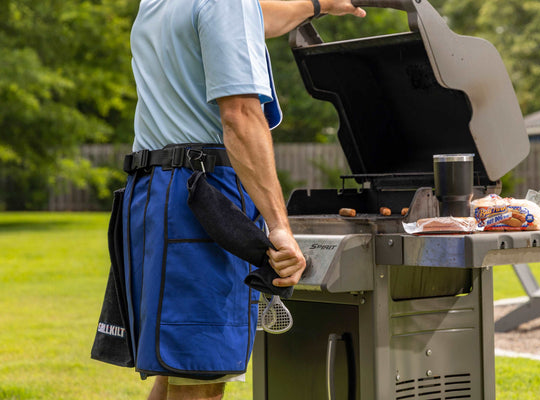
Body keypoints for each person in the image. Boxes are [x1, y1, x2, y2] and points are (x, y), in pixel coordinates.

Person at [124, 1, 366, 399]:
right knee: (201, 378)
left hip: (154, 191)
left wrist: (319, 5)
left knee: (178, 366)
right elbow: (239, 114)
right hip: (201, 197)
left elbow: (255, 19)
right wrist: (279, 227)